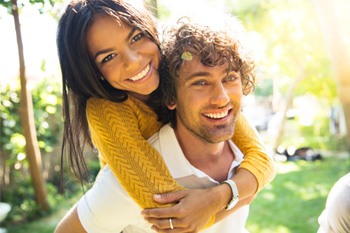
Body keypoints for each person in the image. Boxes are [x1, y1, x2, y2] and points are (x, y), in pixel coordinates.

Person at [55, 0, 275, 231]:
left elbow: (262, 160)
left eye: (136, 37)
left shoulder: (178, 68)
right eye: (108, 57)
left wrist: (220, 197)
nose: (134, 61)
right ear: (93, 73)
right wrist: (242, 194)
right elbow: (172, 213)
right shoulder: (107, 111)